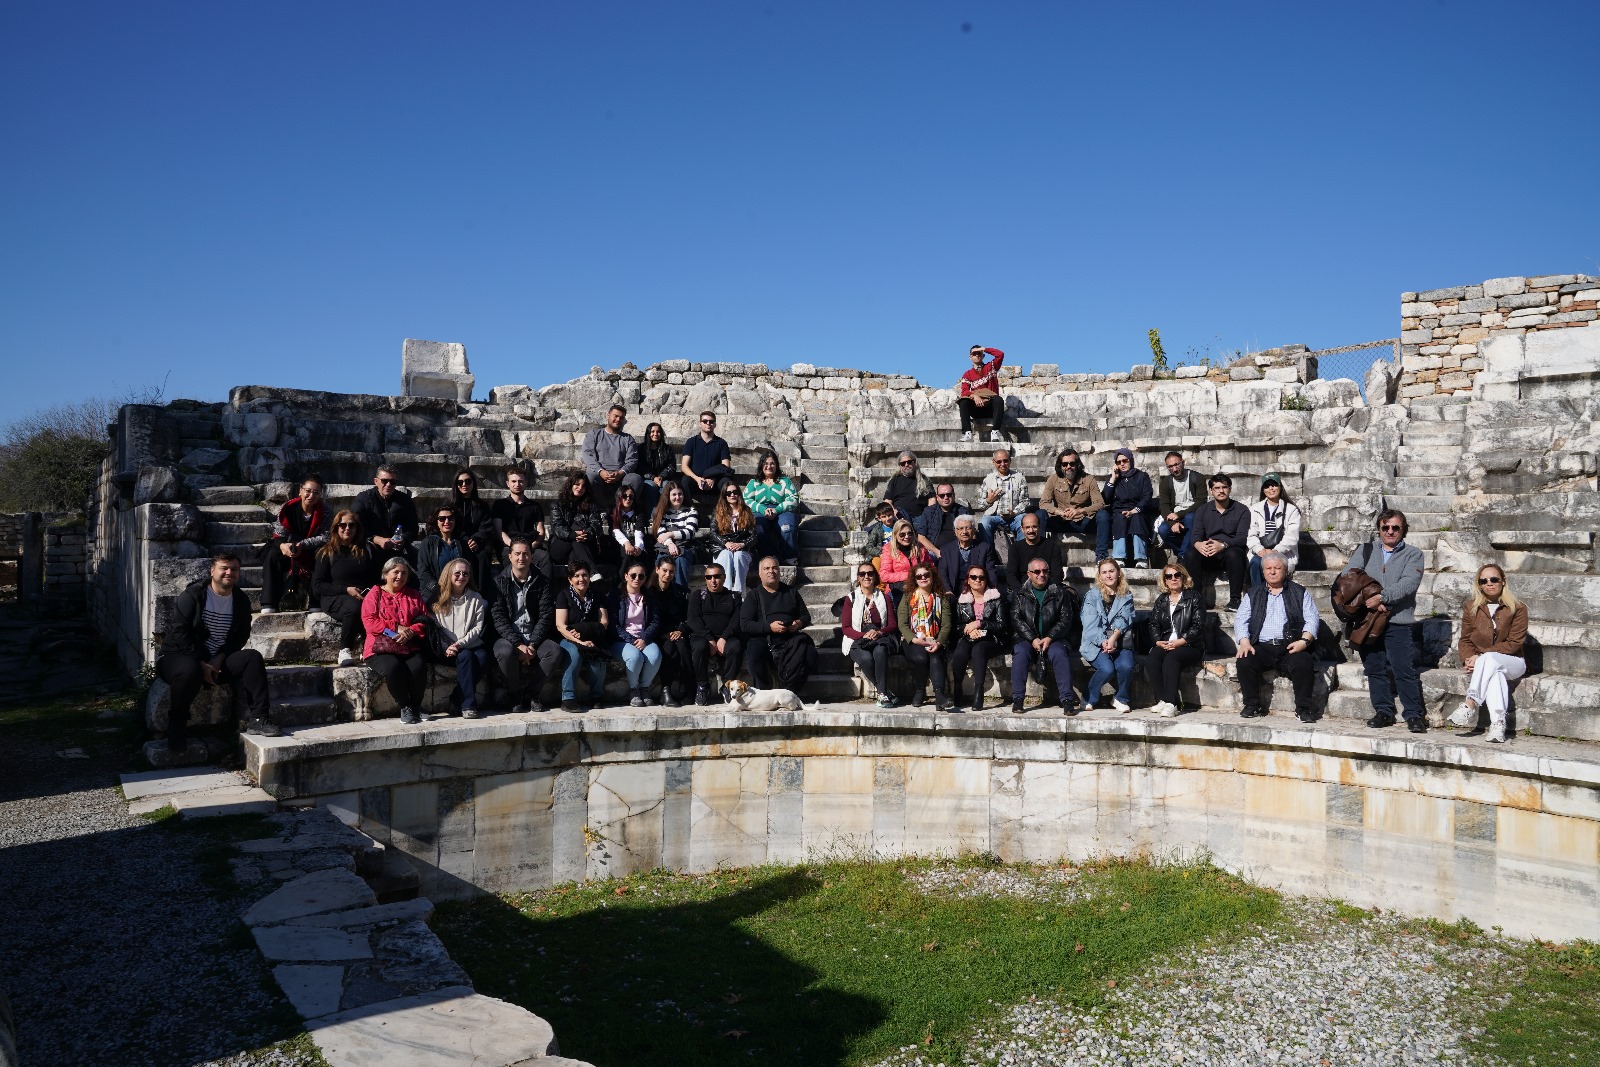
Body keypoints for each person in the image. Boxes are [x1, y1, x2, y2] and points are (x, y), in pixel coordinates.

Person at [156, 552, 280, 752]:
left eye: (234, 569)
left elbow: (241, 636)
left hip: (216, 663)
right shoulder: (193, 595)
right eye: (224, 568)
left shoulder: (240, 600)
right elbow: (180, 632)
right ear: (212, 571)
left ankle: (259, 719)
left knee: (252, 658)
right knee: (189, 670)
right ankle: (177, 725)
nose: (229, 572)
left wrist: (220, 658)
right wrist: (200, 662)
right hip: (179, 657)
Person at [1343, 510, 1428, 732]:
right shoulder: (1365, 550)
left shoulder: (1414, 554)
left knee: (1403, 668)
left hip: (1397, 620)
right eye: (1385, 527)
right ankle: (1384, 711)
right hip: (1367, 618)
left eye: (1395, 528)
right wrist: (1368, 600)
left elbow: (1409, 583)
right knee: (1374, 668)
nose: (1390, 531)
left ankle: (1413, 714)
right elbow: (1349, 577)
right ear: (1379, 529)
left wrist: (1382, 598)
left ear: (1403, 530)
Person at [1234, 551, 1321, 722]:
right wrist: (1244, 642)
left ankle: (1303, 708)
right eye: (1268, 568)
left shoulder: (1299, 592)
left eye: (1277, 568)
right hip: (1262, 646)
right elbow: (1241, 619)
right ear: (1263, 571)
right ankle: (1253, 705)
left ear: (1285, 570)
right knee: (1244, 661)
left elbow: (1312, 619)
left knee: (1303, 663)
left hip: (1290, 646)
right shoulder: (1253, 593)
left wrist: (1304, 641)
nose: (1272, 572)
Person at [1445, 564, 1528, 744]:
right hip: (1487, 664)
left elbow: (1514, 643)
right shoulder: (1471, 607)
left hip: (1513, 662)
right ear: (1479, 584)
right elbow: (1465, 639)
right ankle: (1498, 725)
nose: (1489, 583)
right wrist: (1468, 659)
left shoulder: (1518, 608)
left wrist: (1481, 657)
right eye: (1484, 580)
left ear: (1503, 581)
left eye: (1494, 579)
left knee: (1489, 659)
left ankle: (1470, 702)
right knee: (1495, 674)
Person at [490, 539, 564, 714]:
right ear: (510, 557)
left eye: (525, 553)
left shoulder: (542, 582)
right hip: (508, 638)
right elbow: (498, 618)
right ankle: (515, 694)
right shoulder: (498, 582)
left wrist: (532, 644)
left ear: (531, 557)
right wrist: (517, 644)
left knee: (554, 651)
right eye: (517, 554)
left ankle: (532, 694)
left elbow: (546, 615)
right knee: (504, 652)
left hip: (533, 636)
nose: (521, 557)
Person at [361, 557, 430, 725]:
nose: (400, 576)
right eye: (396, 572)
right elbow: (370, 622)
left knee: (419, 665)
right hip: (380, 647)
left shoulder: (413, 595)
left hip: (408, 645)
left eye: (404, 573)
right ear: (385, 575)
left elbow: (424, 619)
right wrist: (394, 628)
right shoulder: (375, 593)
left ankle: (416, 705)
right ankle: (404, 706)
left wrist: (411, 631)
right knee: (393, 667)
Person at [1008, 557, 1079, 714]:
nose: (1042, 574)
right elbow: (1016, 620)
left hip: (1054, 638)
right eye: (1037, 571)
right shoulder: (1020, 594)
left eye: (1045, 571)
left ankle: (1067, 700)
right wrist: (1033, 639)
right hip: (1027, 638)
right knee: (1020, 653)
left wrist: (1050, 637)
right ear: (1029, 574)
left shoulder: (1060, 592)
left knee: (1059, 654)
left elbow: (1065, 619)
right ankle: (1018, 699)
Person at [312, 510, 379, 667]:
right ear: (336, 527)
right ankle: (345, 649)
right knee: (355, 607)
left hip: (364, 595)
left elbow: (376, 578)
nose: (347, 528)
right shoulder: (326, 552)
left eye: (351, 525)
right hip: (335, 596)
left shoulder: (368, 550)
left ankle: (369, 647)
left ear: (357, 528)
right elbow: (318, 585)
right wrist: (346, 590)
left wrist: (370, 593)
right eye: (343, 525)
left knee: (371, 607)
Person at [740, 556, 815, 691]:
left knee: (809, 651)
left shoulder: (791, 592)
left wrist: (797, 624)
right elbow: (745, 624)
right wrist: (769, 627)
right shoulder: (754, 595)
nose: (771, 571)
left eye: (774, 568)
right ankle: (762, 692)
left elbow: (805, 616)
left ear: (779, 571)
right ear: (760, 573)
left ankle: (792, 690)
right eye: (766, 568)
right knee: (754, 653)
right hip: (764, 638)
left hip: (789, 637)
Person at [259, 475, 330, 613]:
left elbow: (326, 537)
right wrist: (283, 546)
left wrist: (302, 545)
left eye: (316, 492)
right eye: (308, 491)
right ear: (300, 491)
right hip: (288, 545)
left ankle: (316, 601)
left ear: (320, 494)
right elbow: (279, 534)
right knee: (273, 554)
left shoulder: (326, 511)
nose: (311, 495)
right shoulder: (287, 508)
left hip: (312, 547)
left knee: (321, 555)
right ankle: (269, 602)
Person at [429, 558, 488, 718]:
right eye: (457, 573)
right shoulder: (437, 598)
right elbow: (435, 629)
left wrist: (459, 644)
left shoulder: (476, 598)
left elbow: (477, 628)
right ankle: (468, 705)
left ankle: (456, 698)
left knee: (482, 657)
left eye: (465, 573)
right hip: (445, 648)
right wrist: (448, 646)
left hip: (468, 644)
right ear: (449, 574)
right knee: (467, 657)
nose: (461, 576)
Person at [1145, 561, 1205, 718]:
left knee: (1172, 659)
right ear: (1164, 580)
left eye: (1177, 575)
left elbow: (1198, 626)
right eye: (1169, 576)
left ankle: (1172, 704)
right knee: (1152, 659)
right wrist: (1158, 640)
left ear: (1183, 577)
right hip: (1167, 642)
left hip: (1190, 645)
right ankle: (1164, 699)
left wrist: (1181, 641)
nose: (1173, 578)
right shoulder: (1162, 600)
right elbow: (1153, 624)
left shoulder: (1194, 598)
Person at [1183, 474, 1250, 609]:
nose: (1221, 491)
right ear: (1211, 491)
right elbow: (1195, 535)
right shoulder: (1203, 510)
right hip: (1209, 553)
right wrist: (1199, 544)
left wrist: (1223, 545)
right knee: (1190, 554)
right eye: (1217, 488)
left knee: (1235, 553)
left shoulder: (1242, 510)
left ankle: (1235, 600)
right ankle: (1196, 599)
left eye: (1224, 487)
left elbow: (1242, 538)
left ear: (1230, 489)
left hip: (1229, 552)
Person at [949, 565, 1009, 712]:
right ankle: (957, 689)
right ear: (968, 580)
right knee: (960, 651)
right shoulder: (961, 601)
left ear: (986, 580)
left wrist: (980, 623)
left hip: (992, 639)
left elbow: (1003, 626)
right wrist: (967, 630)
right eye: (973, 577)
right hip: (969, 637)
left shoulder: (996, 599)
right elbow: (955, 627)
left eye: (981, 577)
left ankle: (978, 692)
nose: (978, 580)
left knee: (979, 650)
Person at [841, 563, 900, 708]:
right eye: (862, 574)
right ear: (858, 578)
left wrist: (879, 632)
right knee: (866, 659)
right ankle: (884, 692)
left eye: (870, 573)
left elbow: (892, 624)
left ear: (875, 576)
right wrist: (864, 635)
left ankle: (881, 694)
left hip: (880, 637)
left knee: (880, 651)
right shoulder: (851, 598)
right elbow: (846, 627)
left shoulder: (884, 597)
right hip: (857, 638)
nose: (866, 577)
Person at [1080, 558, 1134, 713]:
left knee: (1126, 666)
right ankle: (1088, 697)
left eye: (1112, 571)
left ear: (1118, 573)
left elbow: (1125, 618)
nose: (1108, 575)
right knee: (1107, 669)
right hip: (1095, 642)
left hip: (1120, 639)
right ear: (1100, 576)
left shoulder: (1126, 595)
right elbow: (1090, 625)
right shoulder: (1092, 595)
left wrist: (1113, 639)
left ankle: (1120, 698)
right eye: (1104, 572)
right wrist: (1105, 641)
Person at [554, 563, 610, 711]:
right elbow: (561, 625)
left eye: (584, 575)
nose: (581, 579)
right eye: (576, 576)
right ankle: (568, 698)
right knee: (573, 654)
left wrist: (584, 632)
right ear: (570, 579)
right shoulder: (563, 595)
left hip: (592, 637)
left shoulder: (598, 596)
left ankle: (596, 696)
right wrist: (579, 641)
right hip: (569, 639)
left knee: (598, 657)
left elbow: (603, 622)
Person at [898, 565, 955, 710]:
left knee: (935, 655)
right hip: (913, 639)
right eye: (919, 576)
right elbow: (902, 624)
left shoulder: (942, 597)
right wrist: (915, 639)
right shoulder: (908, 596)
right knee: (921, 658)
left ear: (932, 576)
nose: (923, 578)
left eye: (926, 575)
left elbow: (947, 625)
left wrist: (939, 642)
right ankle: (920, 690)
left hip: (934, 639)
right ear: (915, 579)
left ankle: (940, 695)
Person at [687, 562, 743, 704]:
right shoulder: (698, 595)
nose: (713, 580)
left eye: (717, 576)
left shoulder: (734, 596)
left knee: (736, 647)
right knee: (699, 647)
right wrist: (710, 638)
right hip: (703, 636)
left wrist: (724, 638)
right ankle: (702, 685)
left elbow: (737, 620)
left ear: (724, 578)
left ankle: (727, 685)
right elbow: (693, 619)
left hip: (726, 637)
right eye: (709, 577)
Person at [609, 559, 663, 707]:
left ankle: (644, 688)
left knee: (655, 655)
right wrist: (632, 640)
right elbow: (613, 625)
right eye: (633, 575)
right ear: (626, 576)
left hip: (644, 638)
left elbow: (655, 621)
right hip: (621, 640)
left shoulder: (649, 596)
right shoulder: (616, 596)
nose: (637, 579)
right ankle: (634, 690)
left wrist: (644, 638)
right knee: (635, 656)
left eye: (641, 576)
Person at [1040, 448, 1110, 561]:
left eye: (1072, 463)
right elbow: (1043, 503)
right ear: (1060, 466)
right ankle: (1041, 556)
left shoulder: (1089, 479)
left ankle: (1101, 557)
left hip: (1083, 522)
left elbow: (1100, 503)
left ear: (1077, 465)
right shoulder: (1053, 479)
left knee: (1103, 515)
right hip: (1061, 521)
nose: (1068, 466)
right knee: (1039, 514)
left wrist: (1080, 511)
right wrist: (1059, 512)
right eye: (1065, 464)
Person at [548, 471, 611, 583]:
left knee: (576, 550)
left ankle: (575, 586)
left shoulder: (591, 506)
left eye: (583, 486)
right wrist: (572, 535)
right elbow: (557, 527)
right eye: (577, 484)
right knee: (576, 532)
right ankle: (592, 571)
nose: (580, 488)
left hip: (582, 544)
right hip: (560, 546)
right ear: (570, 485)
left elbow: (596, 525)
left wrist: (585, 534)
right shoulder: (557, 505)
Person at [352, 465, 420, 565]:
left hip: (398, 550)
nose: (388, 485)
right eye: (384, 481)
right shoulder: (363, 499)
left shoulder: (405, 500)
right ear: (376, 481)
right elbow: (356, 525)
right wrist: (376, 539)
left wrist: (404, 539)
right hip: (370, 547)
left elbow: (413, 527)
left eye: (393, 482)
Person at [743, 451, 800, 565]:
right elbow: (746, 499)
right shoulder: (754, 482)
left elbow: (794, 498)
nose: (769, 466)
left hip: (782, 510)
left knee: (787, 528)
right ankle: (769, 557)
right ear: (761, 465)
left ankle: (789, 557)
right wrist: (762, 509)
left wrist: (777, 510)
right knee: (758, 528)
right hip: (760, 511)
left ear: (777, 465)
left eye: (772, 463)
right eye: (766, 463)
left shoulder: (784, 481)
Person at [1247, 473, 1302, 587]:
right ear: (1263, 490)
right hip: (1261, 552)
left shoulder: (1291, 510)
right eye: (1267, 486)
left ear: (1280, 487)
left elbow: (1292, 537)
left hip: (1283, 552)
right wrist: (1260, 550)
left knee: (1275, 565)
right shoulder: (1254, 509)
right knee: (1256, 562)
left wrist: (1275, 551)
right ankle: (1258, 595)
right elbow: (1251, 534)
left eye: (1274, 485)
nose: (1271, 488)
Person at [581, 404, 642, 506]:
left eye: (621, 418)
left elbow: (632, 461)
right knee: (589, 477)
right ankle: (598, 510)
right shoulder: (593, 434)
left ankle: (623, 510)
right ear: (608, 415)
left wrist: (620, 473)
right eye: (615, 416)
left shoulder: (628, 439)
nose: (618, 419)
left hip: (621, 477)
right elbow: (588, 455)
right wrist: (601, 471)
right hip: (598, 475)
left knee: (636, 479)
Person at [1102, 447, 1153, 567]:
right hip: (1119, 511)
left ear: (1130, 460)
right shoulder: (1113, 478)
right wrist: (1113, 478)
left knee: (1137, 519)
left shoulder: (1142, 476)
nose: (1122, 464)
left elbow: (1147, 496)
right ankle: (1119, 557)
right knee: (1119, 518)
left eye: (1125, 461)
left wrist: (1135, 510)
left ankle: (1141, 558)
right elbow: (1105, 499)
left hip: (1138, 510)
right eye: (1118, 462)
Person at [652, 557, 692, 708]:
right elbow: (649, 620)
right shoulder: (649, 593)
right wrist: (663, 634)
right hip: (658, 633)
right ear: (657, 570)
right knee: (668, 648)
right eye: (664, 571)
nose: (667, 574)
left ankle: (687, 689)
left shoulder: (681, 592)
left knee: (683, 647)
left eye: (671, 572)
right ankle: (665, 690)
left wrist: (680, 630)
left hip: (678, 631)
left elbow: (690, 617)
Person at [975, 449, 1037, 545]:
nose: (1002, 464)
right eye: (999, 462)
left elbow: (1025, 502)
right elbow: (980, 505)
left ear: (1010, 461)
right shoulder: (988, 479)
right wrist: (989, 500)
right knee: (984, 523)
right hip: (994, 516)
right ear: (993, 462)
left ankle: (1021, 552)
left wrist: (1014, 513)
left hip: (1014, 517)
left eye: (1005, 461)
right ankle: (987, 554)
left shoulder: (1019, 478)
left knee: (1024, 521)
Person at [448, 468, 497, 588]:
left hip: (478, 542)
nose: (464, 485)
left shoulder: (482, 505)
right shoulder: (450, 505)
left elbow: (486, 526)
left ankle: (481, 593)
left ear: (473, 483)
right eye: (460, 482)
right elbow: (449, 525)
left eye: (468, 481)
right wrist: (466, 539)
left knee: (484, 555)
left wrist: (475, 539)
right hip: (458, 540)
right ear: (456, 485)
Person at [680, 410, 736, 509]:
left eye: (711, 421)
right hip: (695, 481)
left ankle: (723, 512)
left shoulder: (721, 443)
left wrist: (713, 478)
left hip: (714, 482)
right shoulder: (691, 442)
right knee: (685, 481)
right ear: (700, 424)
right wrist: (697, 479)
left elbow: (726, 466)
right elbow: (684, 466)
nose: (708, 423)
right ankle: (689, 510)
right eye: (705, 421)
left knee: (726, 482)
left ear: (715, 424)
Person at [1156, 451, 1208, 559]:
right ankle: (1182, 553)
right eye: (1170, 467)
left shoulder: (1198, 478)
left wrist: (1179, 514)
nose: (1174, 469)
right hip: (1175, 517)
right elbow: (1164, 507)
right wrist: (1172, 522)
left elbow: (1201, 502)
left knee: (1190, 517)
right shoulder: (1166, 483)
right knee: (1163, 530)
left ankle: (1183, 556)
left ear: (1183, 463)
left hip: (1194, 515)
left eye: (1176, 464)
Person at [709, 482, 758, 593]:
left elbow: (754, 535)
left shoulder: (747, 511)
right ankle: (726, 591)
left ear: (739, 494)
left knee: (739, 556)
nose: (732, 495)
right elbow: (713, 533)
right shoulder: (717, 512)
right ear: (724, 495)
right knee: (727, 555)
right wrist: (725, 542)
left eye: (735, 492)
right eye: (729, 493)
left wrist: (743, 544)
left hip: (742, 548)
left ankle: (739, 593)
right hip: (722, 548)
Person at [650, 482, 700, 587]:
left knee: (681, 560)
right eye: (674, 494)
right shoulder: (661, 511)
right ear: (667, 496)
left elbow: (690, 531)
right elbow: (660, 533)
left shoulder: (691, 511)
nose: (677, 497)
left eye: (680, 494)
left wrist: (670, 534)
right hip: (666, 547)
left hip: (686, 547)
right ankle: (659, 591)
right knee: (661, 561)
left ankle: (680, 593)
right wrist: (670, 544)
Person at [936, 515, 998, 595]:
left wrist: (991, 589)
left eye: (968, 528)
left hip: (978, 592)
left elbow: (990, 570)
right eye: (961, 528)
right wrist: (948, 590)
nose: (964, 532)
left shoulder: (985, 548)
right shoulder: (946, 549)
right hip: (954, 592)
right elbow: (942, 573)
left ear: (974, 530)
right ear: (955, 532)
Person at [415, 505, 466, 605]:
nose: (447, 522)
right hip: (436, 593)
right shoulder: (428, 543)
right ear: (436, 522)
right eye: (442, 519)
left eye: (450, 518)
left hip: (458, 591)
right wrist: (438, 589)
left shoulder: (461, 544)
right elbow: (423, 571)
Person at [957, 344, 1006, 442]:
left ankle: (995, 432)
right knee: (963, 402)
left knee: (998, 400)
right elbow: (965, 391)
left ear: (983, 355)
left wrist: (984, 349)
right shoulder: (967, 374)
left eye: (979, 353)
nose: (977, 355)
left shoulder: (991, 367)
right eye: (974, 354)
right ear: (970, 357)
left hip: (991, 409)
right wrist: (974, 396)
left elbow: (1000, 354)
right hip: (977, 408)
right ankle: (967, 433)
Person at [878, 518, 932, 604]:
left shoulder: (920, 548)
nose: (907, 537)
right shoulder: (889, 549)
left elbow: (931, 568)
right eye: (902, 534)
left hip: (920, 586)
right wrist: (908, 575)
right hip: (899, 590)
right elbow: (884, 575)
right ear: (895, 535)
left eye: (909, 533)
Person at [1006, 513, 1065, 590]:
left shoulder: (1052, 547)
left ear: (1039, 527)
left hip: (1048, 589)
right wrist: (1021, 593)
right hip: (1023, 590)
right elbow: (1011, 575)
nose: (1031, 530)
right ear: (1022, 529)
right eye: (1027, 527)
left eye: (1034, 527)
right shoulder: (1015, 548)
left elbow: (1057, 574)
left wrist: (1046, 591)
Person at [493, 466, 545, 552]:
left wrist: (531, 547)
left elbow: (541, 531)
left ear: (526, 483)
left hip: (530, 546)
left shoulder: (535, 506)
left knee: (544, 558)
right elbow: (498, 530)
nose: (517, 484)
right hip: (508, 546)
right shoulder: (499, 505)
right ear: (507, 483)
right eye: (513, 481)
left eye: (520, 481)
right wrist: (514, 547)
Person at [914, 483, 972, 558]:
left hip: (958, 551)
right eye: (942, 495)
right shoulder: (929, 512)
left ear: (953, 495)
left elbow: (971, 534)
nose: (946, 497)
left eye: (949, 495)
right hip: (934, 552)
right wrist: (936, 552)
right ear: (937, 497)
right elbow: (921, 537)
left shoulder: (963, 512)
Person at [637, 421, 678, 515]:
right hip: (647, 478)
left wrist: (661, 476)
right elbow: (640, 466)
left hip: (664, 478)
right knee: (651, 486)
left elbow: (671, 466)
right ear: (648, 433)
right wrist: (652, 477)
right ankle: (653, 517)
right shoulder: (641, 449)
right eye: (652, 431)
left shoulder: (667, 449)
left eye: (658, 432)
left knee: (667, 486)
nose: (655, 434)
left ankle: (667, 515)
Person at [609, 484, 652, 570]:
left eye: (631, 497)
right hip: (620, 544)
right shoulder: (613, 511)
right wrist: (626, 543)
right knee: (626, 555)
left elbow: (639, 530)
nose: (628, 499)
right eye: (625, 496)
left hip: (635, 542)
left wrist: (638, 546)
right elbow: (615, 530)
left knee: (642, 557)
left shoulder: (639, 512)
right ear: (619, 496)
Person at [882, 451, 935, 520]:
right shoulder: (894, 480)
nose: (906, 465)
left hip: (920, 517)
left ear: (914, 462)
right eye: (903, 463)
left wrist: (928, 515)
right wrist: (893, 511)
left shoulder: (924, 480)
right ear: (900, 466)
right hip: (899, 517)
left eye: (909, 462)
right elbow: (888, 501)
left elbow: (932, 499)